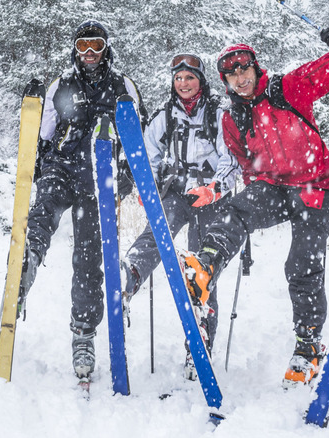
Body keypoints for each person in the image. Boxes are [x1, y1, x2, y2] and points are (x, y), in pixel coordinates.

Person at [183, 29, 329, 388]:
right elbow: (244, 163)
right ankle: (205, 266)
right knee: (235, 210)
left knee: (301, 264)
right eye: (231, 74)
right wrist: (250, 193)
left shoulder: (288, 88)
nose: (240, 78)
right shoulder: (232, 118)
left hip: (315, 187)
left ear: (255, 67)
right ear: (225, 80)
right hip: (274, 187)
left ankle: (308, 346)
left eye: (244, 69)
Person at [17, 20, 147, 381]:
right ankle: (26, 264)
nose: (89, 53)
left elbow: (139, 139)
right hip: (63, 166)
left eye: (96, 46)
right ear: (74, 49)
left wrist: (124, 177)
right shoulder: (63, 84)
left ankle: (84, 333)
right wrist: (42, 167)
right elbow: (43, 135)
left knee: (89, 258)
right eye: (83, 46)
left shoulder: (123, 85)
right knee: (44, 209)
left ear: (106, 48)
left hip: (99, 179)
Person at [120, 53, 239, 380]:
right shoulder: (164, 115)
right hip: (174, 192)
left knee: (202, 267)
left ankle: (199, 337)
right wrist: (147, 186)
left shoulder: (218, 113)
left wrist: (215, 188)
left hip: (209, 196)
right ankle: (127, 277)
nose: (184, 83)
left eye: (190, 77)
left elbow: (230, 159)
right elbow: (148, 154)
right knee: (155, 235)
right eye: (178, 78)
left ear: (201, 80)